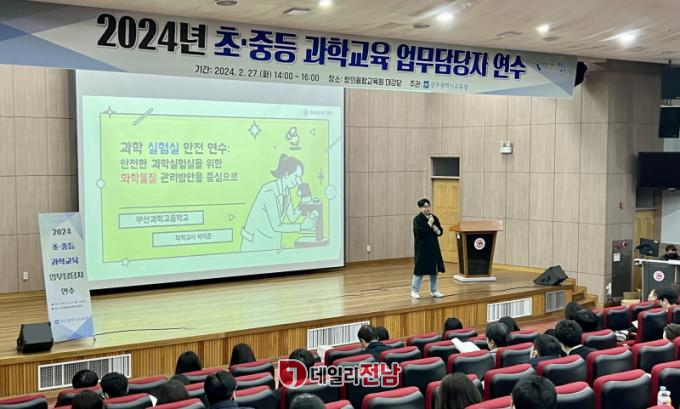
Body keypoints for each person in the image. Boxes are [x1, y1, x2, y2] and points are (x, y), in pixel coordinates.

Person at [240, 154, 315, 251]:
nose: (298, 181)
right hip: (256, 243)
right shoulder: (269, 191)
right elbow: (277, 226)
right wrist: (302, 226)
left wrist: (303, 202)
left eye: (299, 178)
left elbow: (292, 217)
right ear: (286, 173)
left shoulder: (286, 191)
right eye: (296, 176)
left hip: (270, 243)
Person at [412, 198, 445, 299]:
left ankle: (434, 290)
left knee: (434, 270)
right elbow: (420, 233)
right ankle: (414, 291)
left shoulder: (434, 217)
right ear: (421, 208)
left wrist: (438, 230)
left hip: (433, 248)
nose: (428, 208)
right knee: (419, 270)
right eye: (425, 207)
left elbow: (440, 231)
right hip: (422, 248)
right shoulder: (417, 219)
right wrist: (429, 224)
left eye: (429, 206)